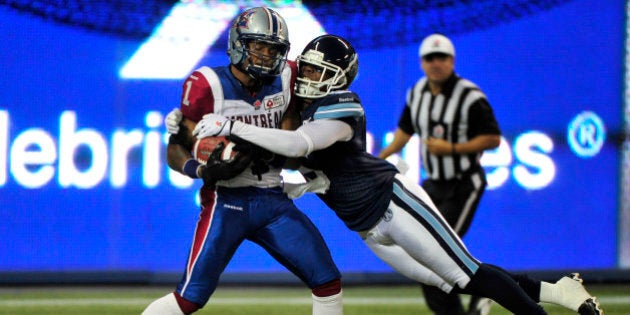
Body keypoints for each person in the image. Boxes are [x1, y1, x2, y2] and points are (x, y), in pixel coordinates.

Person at [190, 34, 604, 315]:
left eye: (318, 72)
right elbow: (324, 166)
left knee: (466, 272)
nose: (308, 78)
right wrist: (306, 184)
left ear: (337, 76)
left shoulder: (342, 104)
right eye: (308, 70)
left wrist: (231, 125)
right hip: (367, 227)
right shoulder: (304, 107)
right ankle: (557, 291)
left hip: (394, 202)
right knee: (453, 282)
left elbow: (300, 145)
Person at [142, 7, 343, 315]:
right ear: (239, 43)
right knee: (189, 299)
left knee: (327, 281)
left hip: (272, 199)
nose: (265, 55)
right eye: (258, 46)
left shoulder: (287, 77)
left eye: (273, 49)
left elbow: (291, 141)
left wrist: (277, 149)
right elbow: (175, 149)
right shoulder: (207, 84)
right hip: (227, 201)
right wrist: (200, 168)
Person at [377, 33, 500, 315]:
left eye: (441, 57)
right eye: (430, 58)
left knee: (438, 255)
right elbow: (403, 135)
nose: (436, 63)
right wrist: (374, 161)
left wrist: (453, 148)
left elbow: (492, 138)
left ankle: (487, 291)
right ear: (422, 63)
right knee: (425, 260)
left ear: (452, 61)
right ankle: (476, 299)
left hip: (464, 183)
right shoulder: (417, 93)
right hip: (432, 185)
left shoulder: (470, 96)